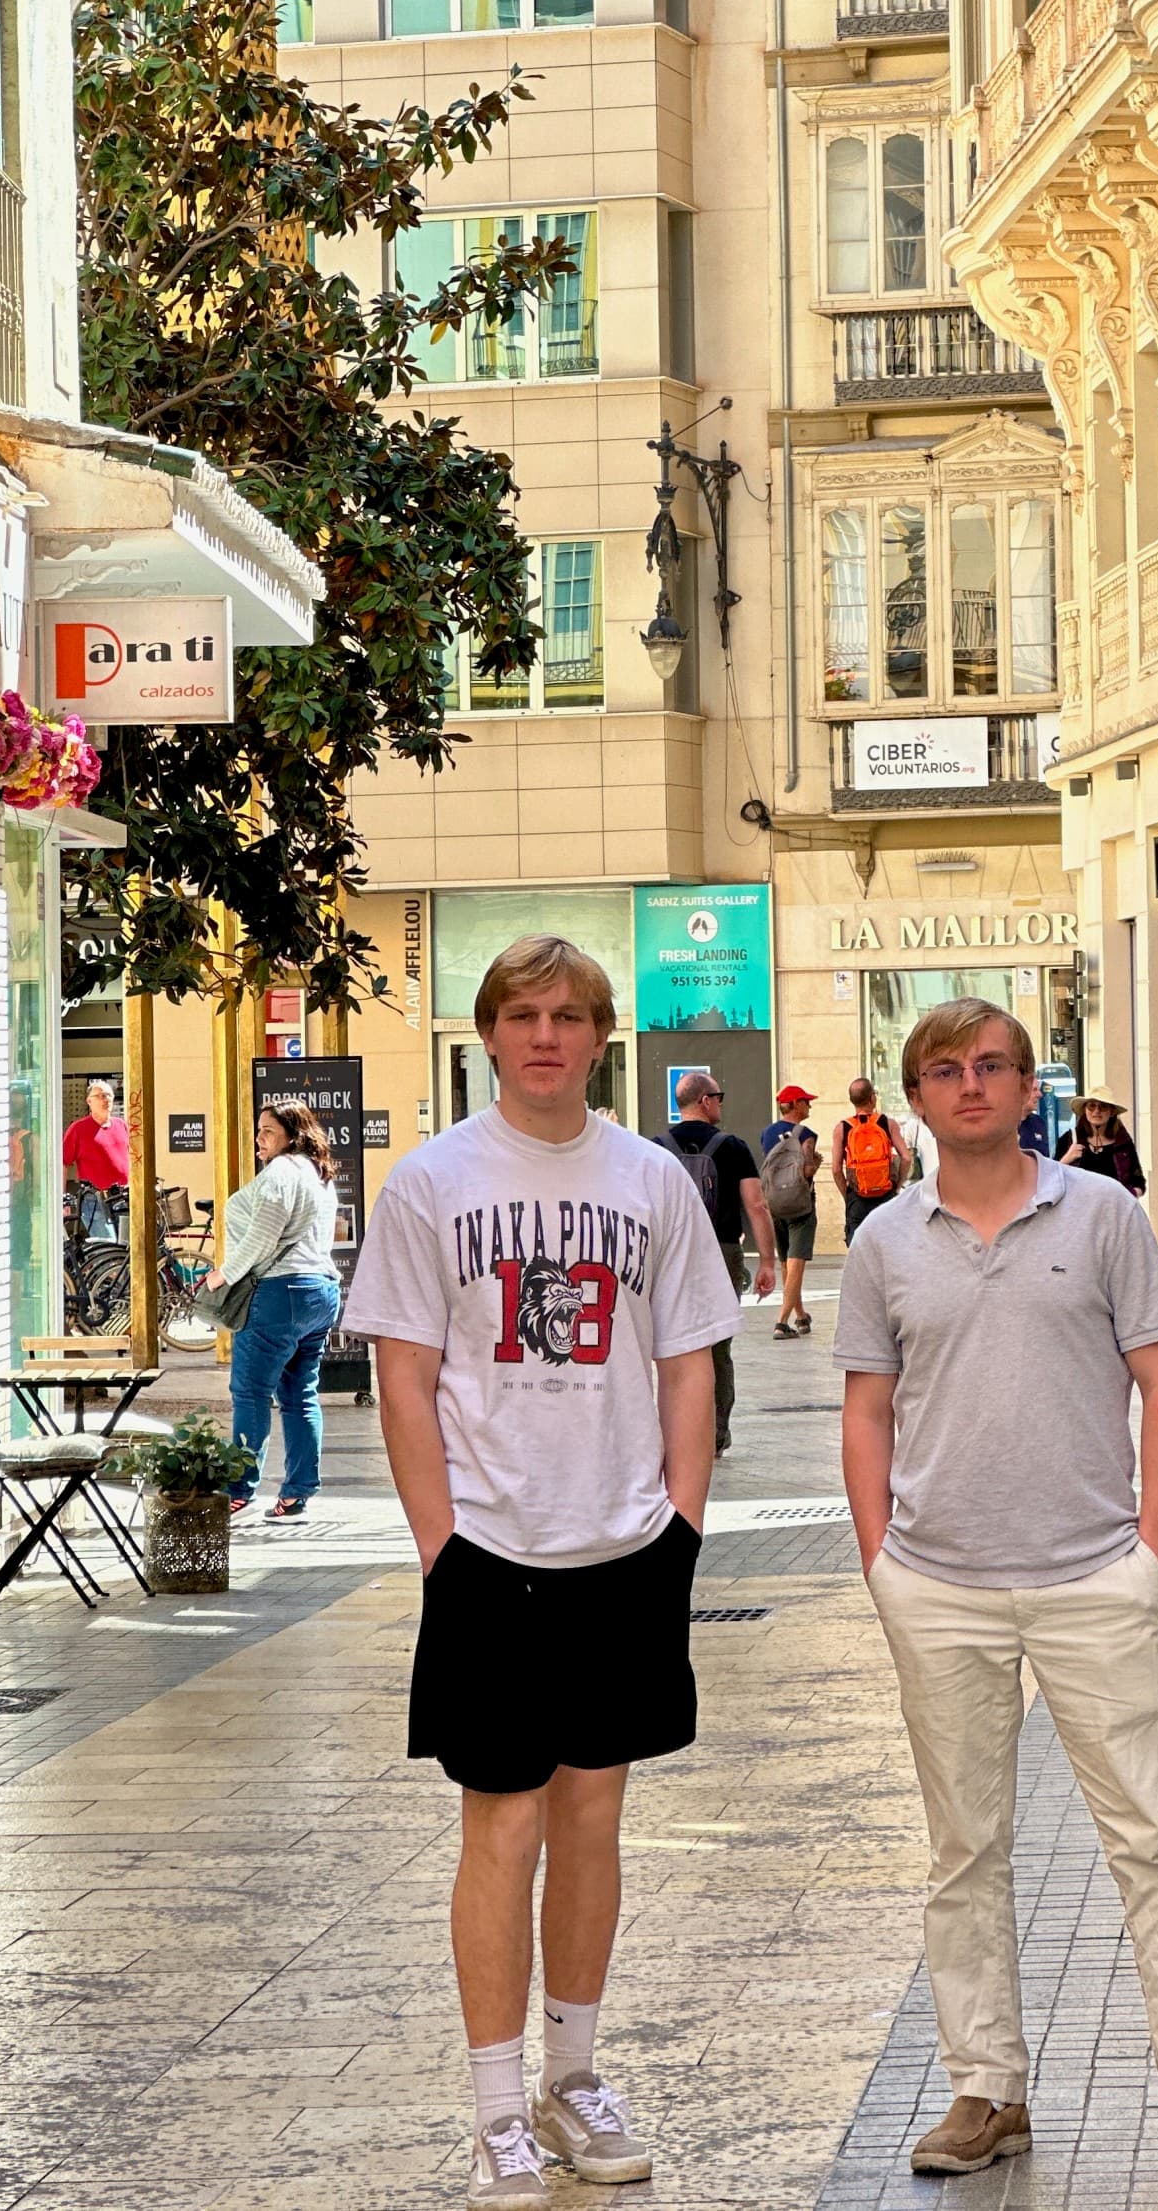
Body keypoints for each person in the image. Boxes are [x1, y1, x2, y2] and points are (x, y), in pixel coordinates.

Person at [836, 997, 1158, 2193]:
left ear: (1027, 1087)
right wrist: (880, 1563)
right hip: (937, 1585)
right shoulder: (883, 1243)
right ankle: (986, 2089)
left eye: (990, 1066)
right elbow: (866, 1409)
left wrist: (1149, 1555)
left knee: (1150, 1842)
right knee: (962, 1849)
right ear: (916, 1097)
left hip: (1093, 1578)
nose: (968, 1086)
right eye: (944, 1071)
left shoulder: (1102, 1213)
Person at [347, 935, 737, 2205]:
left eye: (568, 1016)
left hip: (624, 1545)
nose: (545, 1036)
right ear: (489, 1034)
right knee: (501, 1825)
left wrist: (682, 1522)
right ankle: (497, 2106)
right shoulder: (431, 1183)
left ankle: (573, 2080)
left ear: (601, 1035)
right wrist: (435, 1540)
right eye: (522, 1015)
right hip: (490, 1554)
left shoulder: (650, 1180)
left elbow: (688, 1359)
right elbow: (400, 1374)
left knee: (593, 1819)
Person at [213, 1102, 343, 1521]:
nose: (259, 1139)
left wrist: (223, 1276)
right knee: (300, 1394)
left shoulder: (281, 1173)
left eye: (268, 1131)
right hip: (320, 1292)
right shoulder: (320, 1175)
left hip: (279, 1292)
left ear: (292, 1134)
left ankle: (239, 1489)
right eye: (259, 1131)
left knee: (250, 1393)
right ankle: (298, 1491)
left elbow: (261, 1238)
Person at [662, 1073, 776, 1452]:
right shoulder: (733, 1147)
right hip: (721, 1252)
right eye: (719, 1097)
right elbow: (756, 1206)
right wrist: (767, 1262)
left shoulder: (656, 1147)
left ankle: (675, 1431)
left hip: (670, 1255)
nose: (721, 1104)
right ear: (705, 1101)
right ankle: (715, 1434)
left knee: (670, 1343)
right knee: (717, 1346)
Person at [759, 1083, 821, 1339]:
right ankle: (781, 1322)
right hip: (800, 1205)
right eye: (805, 1101)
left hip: (774, 1203)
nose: (809, 1105)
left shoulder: (767, 1133)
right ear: (795, 1105)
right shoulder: (807, 1134)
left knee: (785, 1262)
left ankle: (800, 1315)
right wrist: (815, 1165)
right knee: (796, 1264)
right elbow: (806, 1170)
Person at [831, 1076, 910, 1246]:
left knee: (858, 1253)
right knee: (888, 1250)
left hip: (857, 1197)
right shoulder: (887, 1124)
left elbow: (836, 1170)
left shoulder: (842, 1128)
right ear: (872, 1098)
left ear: (852, 1100)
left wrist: (848, 1195)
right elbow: (906, 1158)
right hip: (885, 1195)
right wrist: (896, 1186)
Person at [61, 1080, 130, 1239]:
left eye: (108, 1096)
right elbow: (63, 1163)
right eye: (99, 1096)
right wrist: (63, 1200)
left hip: (122, 1197)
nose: (105, 1100)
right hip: (95, 1199)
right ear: (89, 1101)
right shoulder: (78, 1129)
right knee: (108, 1246)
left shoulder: (121, 1125)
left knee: (127, 1247)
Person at [1060, 1090, 1146, 1195]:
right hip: (1080, 1208)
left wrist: (1126, 1197)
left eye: (1103, 1106)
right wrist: (1067, 1158)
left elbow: (1139, 1182)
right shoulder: (1069, 1140)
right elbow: (1052, 1178)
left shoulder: (1123, 1142)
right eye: (1092, 1106)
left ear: (1112, 1112)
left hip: (1114, 1209)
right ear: (1085, 1110)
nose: (1097, 1111)